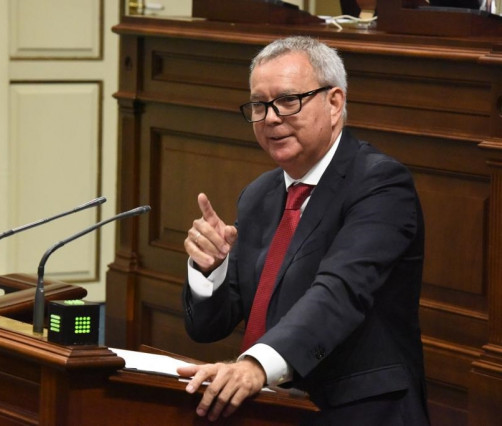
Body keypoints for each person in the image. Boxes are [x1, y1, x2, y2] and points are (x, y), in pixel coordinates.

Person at [176, 36, 429, 425]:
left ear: (334, 103)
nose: (271, 118)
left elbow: (340, 291)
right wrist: (209, 270)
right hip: (275, 409)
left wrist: (256, 366)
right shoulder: (260, 194)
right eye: (259, 105)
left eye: (288, 101)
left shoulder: (380, 184)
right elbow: (209, 327)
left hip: (356, 410)